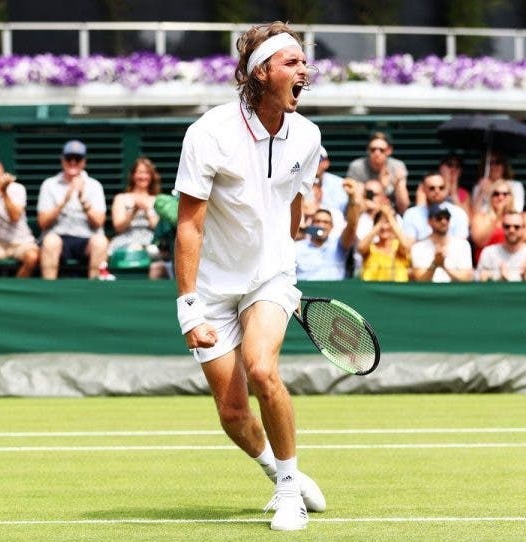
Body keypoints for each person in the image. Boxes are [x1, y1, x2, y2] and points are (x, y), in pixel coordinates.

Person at [173, 22, 325, 532]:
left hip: (269, 278)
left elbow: (295, 204)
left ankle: (289, 490)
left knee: (262, 369)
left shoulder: (307, 134)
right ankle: (278, 472)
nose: (304, 70)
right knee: (234, 412)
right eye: (292, 62)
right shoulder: (209, 133)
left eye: (305, 62)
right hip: (213, 288)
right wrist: (188, 305)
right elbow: (189, 227)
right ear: (261, 72)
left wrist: (286, 270)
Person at [37, 140, 109, 279]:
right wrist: (64, 201)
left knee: (100, 242)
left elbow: (99, 222)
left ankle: (94, 293)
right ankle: (48, 293)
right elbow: (43, 223)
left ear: (84, 162)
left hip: (86, 238)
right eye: (69, 158)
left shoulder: (94, 186)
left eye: (78, 158)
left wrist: (82, 200)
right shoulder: (49, 184)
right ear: (62, 160)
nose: (73, 162)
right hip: (59, 237)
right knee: (50, 241)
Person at [109, 157, 167, 279]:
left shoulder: (158, 199)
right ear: (133, 175)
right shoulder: (121, 198)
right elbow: (118, 227)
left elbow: (158, 229)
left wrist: (147, 210)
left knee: (158, 259)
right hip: (125, 239)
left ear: (151, 176)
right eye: (140, 172)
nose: (143, 176)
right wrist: (133, 212)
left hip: (150, 241)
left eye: (146, 173)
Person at [470, 179, 526, 264]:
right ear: (490, 197)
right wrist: (496, 218)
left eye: (505, 194)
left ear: (511, 197)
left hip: (515, 263)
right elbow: (479, 242)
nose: (501, 197)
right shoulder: (480, 217)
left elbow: (524, 239)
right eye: (496, 194)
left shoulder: (524, 217)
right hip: (488, 264)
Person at [345, 131, 410, 213]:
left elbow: (404, 207)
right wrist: (382, 185)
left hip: (390, 213)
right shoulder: (357, 167)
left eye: (381, 150)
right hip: (364, 213)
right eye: (373, 149)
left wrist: (396, 185)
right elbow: (356, 204)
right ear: (368, 150)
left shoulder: (397, 167)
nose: (377, 153)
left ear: (389, 150)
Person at [410, 203, 474, 282]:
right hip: (429, 292)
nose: (444, 221)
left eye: (447, 218)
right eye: (439, 218)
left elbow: (467, 278)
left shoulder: (463, 245)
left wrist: (443, 266)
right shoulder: (418, 247)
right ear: (429, 222)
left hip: (455, 292)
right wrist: (435, 264)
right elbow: (419, 279)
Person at [476, 211, 526, 282]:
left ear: (523, 228)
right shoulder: (489, 253)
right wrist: (500, 279)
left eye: (516, 227)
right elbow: (480, 281)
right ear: (502, 227)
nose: (511, 230)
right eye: (507, 226)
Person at [402, 172, 469, 243]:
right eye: (432, 188)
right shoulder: (411, 214)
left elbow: (462, 245)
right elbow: (409, 245)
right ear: (423, 189)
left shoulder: (459, 213)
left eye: (441, 188)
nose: (437, 191)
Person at [357, 204, 412, 282]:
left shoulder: (398, 247)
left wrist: (390, 217)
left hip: (396, 291)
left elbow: (406, 246)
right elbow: (360, 248)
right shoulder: (370, 248)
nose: (384, 227)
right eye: (382, 223)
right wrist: (381, 221)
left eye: (387, 223)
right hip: (371, 291)